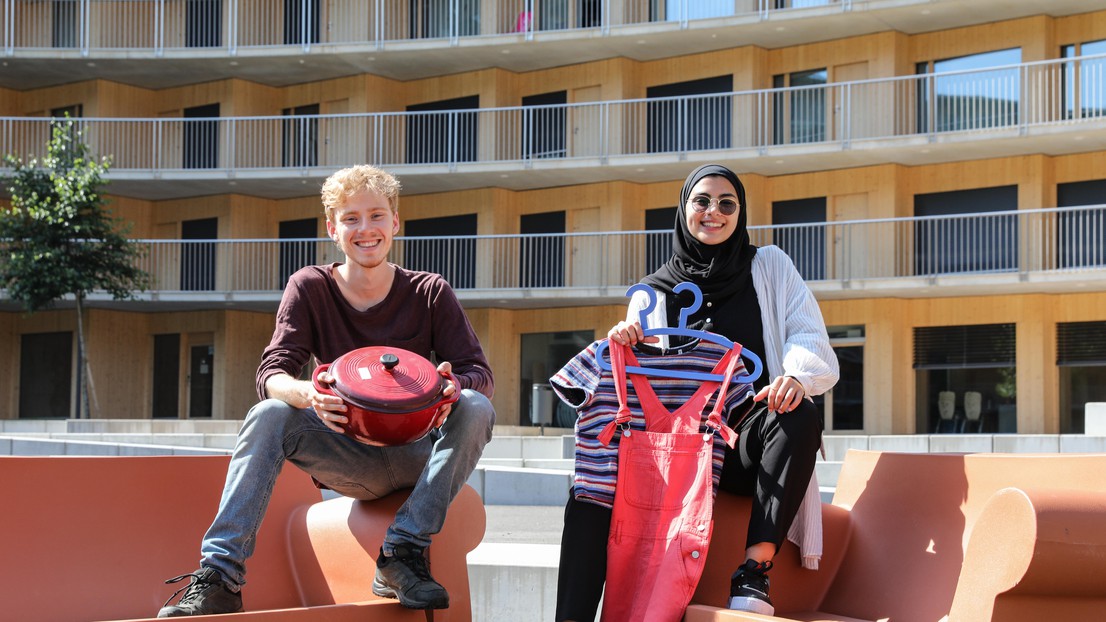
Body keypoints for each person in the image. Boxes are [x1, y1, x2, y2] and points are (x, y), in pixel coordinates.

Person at [157, 164, 496, 617]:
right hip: (348, 456)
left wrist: (450, 385)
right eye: (351, 218)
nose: (365, 229)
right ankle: (221, 576)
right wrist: (307, 395)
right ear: (333, 228)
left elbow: (479, 372)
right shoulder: (310, 286)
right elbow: (271, 375)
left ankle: (402, 553)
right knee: (268, 414)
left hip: (420, 452)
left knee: (476, 405)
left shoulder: (430, 291)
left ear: (395, 221)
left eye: (376, 215)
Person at [555, 163, 838, 620]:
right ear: (684, 207)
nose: (714, 212)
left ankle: (754, 571)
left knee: (797, 412)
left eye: (727, 203)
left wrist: (795, 377)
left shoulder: (768, 266)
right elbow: (633, 391)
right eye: (702, 200)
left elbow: (811, 338)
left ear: (740, 213)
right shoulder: (650, 293)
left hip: (742, 444)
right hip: (673, 456)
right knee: (589, 494)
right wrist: (626, 339)